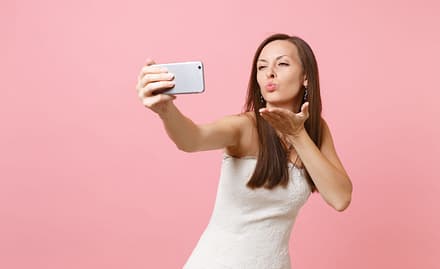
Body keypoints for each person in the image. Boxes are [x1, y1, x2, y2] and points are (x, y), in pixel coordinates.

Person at [136, 33, 353, 269]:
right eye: (262, 67)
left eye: (282, 63)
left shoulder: (315, 129)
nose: (269, 72)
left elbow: (340, 198)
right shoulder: (245, 126)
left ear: (306, 78)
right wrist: (166, 110)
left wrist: (298, 135)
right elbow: (192, 139)